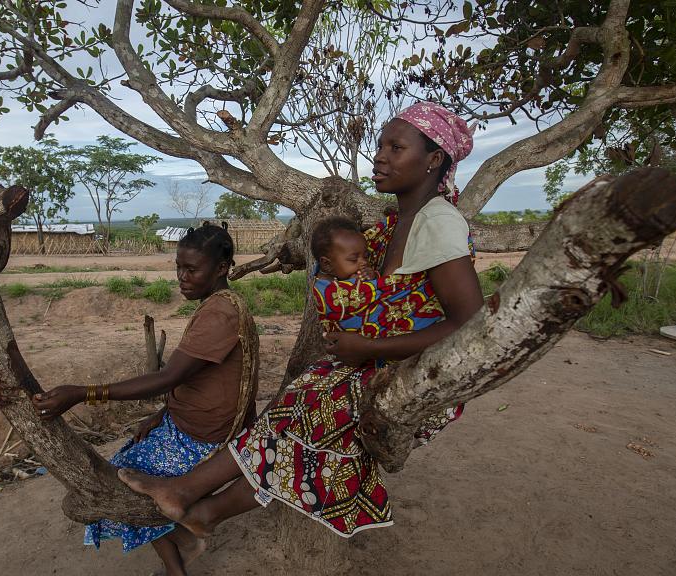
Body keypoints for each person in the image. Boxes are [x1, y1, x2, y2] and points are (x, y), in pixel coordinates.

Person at [119, 102, 484, 540]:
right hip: (379, 361)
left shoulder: (438, 220)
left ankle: (195, 499)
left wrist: (366, 348)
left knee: (309, 407)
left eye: (396, 147)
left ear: (433, 159)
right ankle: (201, 506)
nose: (380, 156)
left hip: (425, 375)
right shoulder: (395, 221)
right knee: (292, 404)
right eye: (380, 145)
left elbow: (469, 324)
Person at [31, 222, 259, 576]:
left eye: (191, 269)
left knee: (124, 485)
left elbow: (168, 377)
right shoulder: (224, 303)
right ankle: (176, 558)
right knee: (124, 468)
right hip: (189, 422)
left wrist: (83, 393)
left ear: (222, 268)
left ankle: (176, 563)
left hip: (201, 435)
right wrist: (163, 414)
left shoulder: (220, 313)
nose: (182, 277)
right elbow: (206, 380)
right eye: (178, 268)